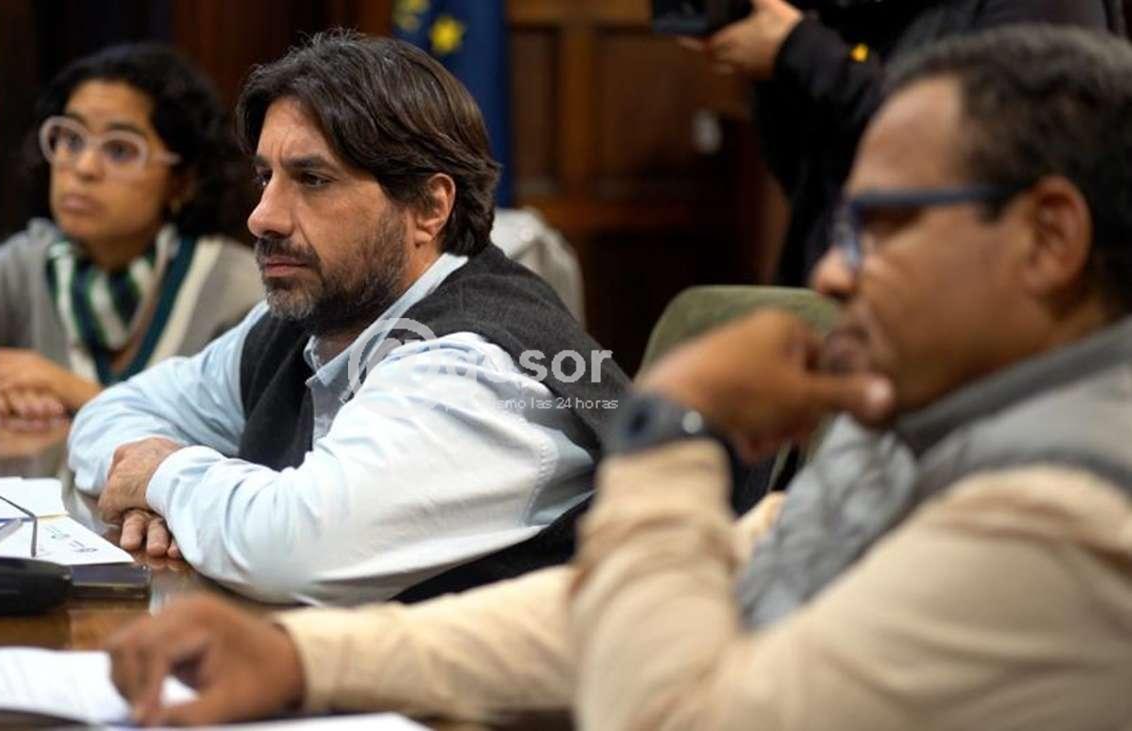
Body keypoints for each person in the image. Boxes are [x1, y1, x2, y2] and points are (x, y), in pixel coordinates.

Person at [107, 26, 1132, 729]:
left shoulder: (1067, 508)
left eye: (884, 224)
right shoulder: (918, 421)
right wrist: (306, 662)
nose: (829, 270)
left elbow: (671, 711)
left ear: (1048, 238)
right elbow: (622, 609)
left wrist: (670, 431)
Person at [67, 31, 630, 605]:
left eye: (312, 180)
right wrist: (151, 491)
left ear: (430, 208)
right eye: (265, 178)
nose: (262, 217)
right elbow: (108, 414)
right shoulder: (311, 317)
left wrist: (164, 476)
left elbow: (290, 551)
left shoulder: (480, 368)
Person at [0, 43, 261, 418]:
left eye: (119, 149)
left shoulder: (237, 290)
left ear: (182, 181)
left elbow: (246, 445)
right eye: (70, 139)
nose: (83, 168)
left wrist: (72, 390)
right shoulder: (31, 264)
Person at [688, 0, 1119, 284]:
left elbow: (989, 159)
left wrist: (802, 52)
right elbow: (814, 178)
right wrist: (777, 64)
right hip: (851, 307)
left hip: (974, 321)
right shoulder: (867, 15)